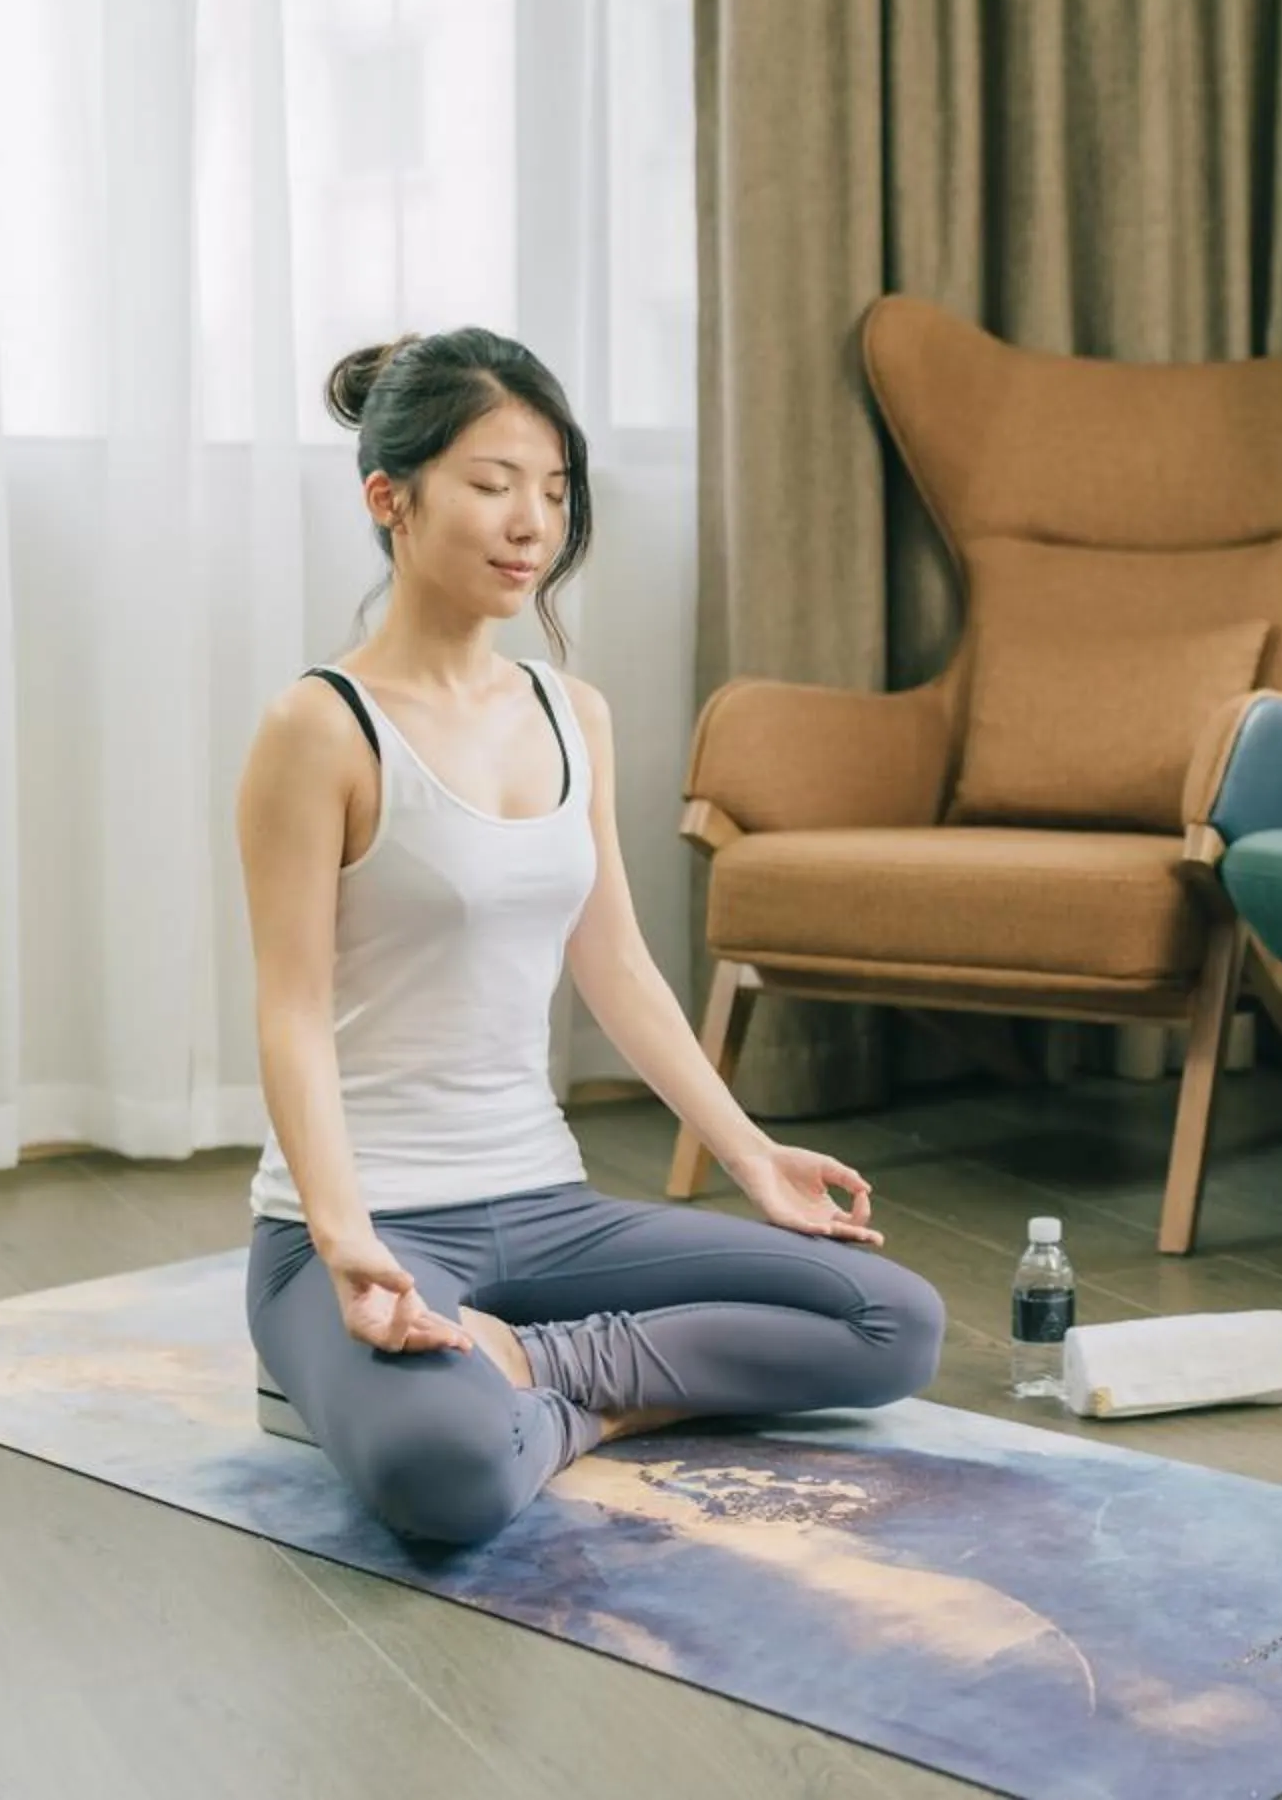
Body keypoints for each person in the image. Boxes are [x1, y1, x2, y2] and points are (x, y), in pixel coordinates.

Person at [235, 328, 944, 1548]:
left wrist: (749, 1153)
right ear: (389, 499)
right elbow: (289, 1007)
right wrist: (346, 1238)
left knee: (894, 1322)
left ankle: (544, 1375)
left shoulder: (574, 714)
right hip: (360, 1223)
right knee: (445, 1477)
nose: (531, 524)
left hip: (547, 1205)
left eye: (555, 491)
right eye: (493, 482)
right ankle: (477, 1389)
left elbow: (612, 961)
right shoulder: (320, 728)